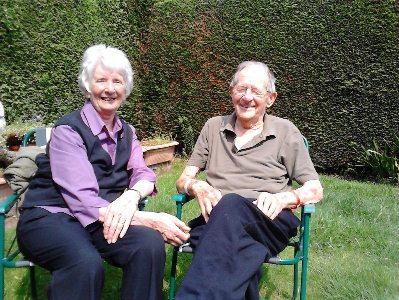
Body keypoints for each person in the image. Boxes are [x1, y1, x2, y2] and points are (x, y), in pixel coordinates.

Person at [17, 44, 190, 300]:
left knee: (148, 245)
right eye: (101, 80)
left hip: (101, 220)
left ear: (125, 89)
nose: (109, 89)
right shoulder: (68, 131)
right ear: (87, 87)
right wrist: (150, 219)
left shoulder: (127, 133)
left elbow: (143, 174)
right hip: (52, 217)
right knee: (84, 262)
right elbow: (83, 199)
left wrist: (131, 197)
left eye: (117, 81)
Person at [175, 61, 323, 299]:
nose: (247, 97)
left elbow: (315, 189)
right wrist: (196, 185)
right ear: (231, 91)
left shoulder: (285, 131)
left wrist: (286, 198)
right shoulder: (214, 127)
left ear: (271, 98)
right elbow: (183, 180)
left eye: (256, 91)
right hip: (218, 218)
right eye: (241, 89)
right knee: (244, 248)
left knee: (230, 207)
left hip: (269, 220)